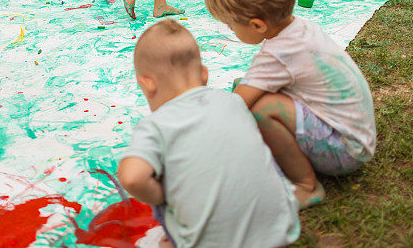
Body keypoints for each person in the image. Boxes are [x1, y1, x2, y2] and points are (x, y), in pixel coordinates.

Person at [205, 0, 377, 209]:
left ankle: (306, 186)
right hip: (356, 135)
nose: (230, 31)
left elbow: (236, 105)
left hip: (344, 151)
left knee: (262, 110)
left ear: (257, 24)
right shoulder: (300, 28)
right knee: (249, 88)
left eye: (231, 25)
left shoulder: (277, 54)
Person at [116, 19, 299, 248]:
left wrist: (159, 195)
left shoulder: (155, 125)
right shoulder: (233, 101)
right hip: (281, 231)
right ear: (204, 75)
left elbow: (132, 177)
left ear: (147, 84)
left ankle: (174, 241)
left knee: (160, 178)